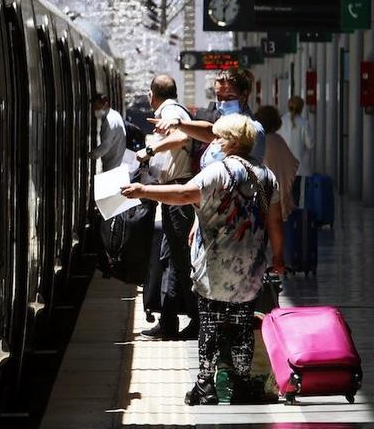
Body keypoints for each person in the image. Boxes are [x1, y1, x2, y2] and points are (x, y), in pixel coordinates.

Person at [121, 114, 285, 406]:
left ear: (234, 141)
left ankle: (205, 386)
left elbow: (184, 194)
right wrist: (280, 257)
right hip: (249, 270)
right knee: (241, 326)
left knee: (210, 325)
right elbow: (275, 223)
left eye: (220, 138)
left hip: (215, 267)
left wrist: (144, 191)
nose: (216, 143)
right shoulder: (266, 175)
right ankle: (241, 384)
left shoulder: (218, 172)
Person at [135, 75, 198, 340]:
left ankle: (197, 320)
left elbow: (182, 137)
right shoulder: (173, 110)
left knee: (181, 261)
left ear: (152, 94)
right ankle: (169, 321)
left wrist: (150, 150)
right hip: (173, 194)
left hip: (179, 196)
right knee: (172, 259)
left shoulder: (171, 111)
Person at [149, 68, 266, 169]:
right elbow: (211, 131)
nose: (223, 102)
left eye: (230, 96)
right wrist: (178, 124)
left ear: (244, 96)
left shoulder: (251, 130)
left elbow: (211, 133)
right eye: (219, 97)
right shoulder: (224, 122)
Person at [255, 105, 299, 221]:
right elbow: (292, 164)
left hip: (261, 203)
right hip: (279, 202)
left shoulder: (258, 141)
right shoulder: (278, 140)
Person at [89, 93, 126, 172]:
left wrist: (91, 154)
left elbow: (105, 146)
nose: (95, 110)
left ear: (105, 104)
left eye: (97, 107)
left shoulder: (109, 121)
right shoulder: (115, 115)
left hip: (113, 165)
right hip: (117, 161)